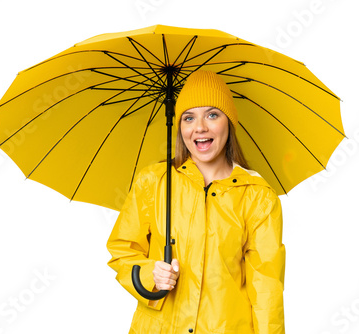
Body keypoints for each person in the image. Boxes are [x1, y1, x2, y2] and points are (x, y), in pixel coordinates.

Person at [107, 70, 286, 334]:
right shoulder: (154, 182)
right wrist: (150, 274)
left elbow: (266, 287)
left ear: (229, 122)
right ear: (179, 127)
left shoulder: (257, 196)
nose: (200, 127)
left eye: (212, 114)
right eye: (189, 118)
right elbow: (122, 251)